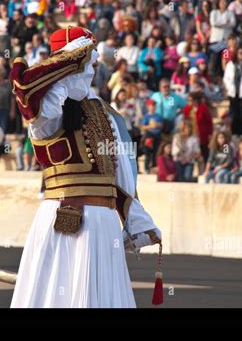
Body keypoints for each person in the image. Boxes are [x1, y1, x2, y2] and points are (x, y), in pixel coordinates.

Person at [9, 26, 161, 308]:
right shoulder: (48, 110)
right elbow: (30, 97)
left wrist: (136, 220)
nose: (91, 69)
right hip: (63, 218)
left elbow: (120, 176)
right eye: (85, 61)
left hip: (102, 224)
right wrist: (66, 70)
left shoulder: (107, 113)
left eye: (93, 62)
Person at [141, 98, 164, 174]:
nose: (152, 107)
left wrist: (157, 125)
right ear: (148, 107)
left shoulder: (158, 116)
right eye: (151, 106)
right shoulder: (146, 116)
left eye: (154, 106)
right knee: (148, 152)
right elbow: (143, 126)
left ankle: (154, 167)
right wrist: (151, 126)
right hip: (149, 135)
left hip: (157, 135)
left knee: (156, 152)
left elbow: (161, 125)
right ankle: (146, 168)